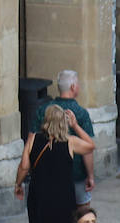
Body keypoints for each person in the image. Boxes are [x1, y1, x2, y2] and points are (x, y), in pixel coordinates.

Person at [16, 107, 94, 223]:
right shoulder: (70, 142)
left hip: (39, 197)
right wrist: (76, 125)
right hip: (63, 198)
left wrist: (18, 184)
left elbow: (24, 166)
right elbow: (90, 145)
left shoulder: (33, 139)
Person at [31, 70, 97, 204]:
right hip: (75, 174)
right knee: (82, 213)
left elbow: (31, 142)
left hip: (48, 175)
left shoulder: (43, 110)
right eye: (78, 84)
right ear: (73, 87)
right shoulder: (81, 113)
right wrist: (90, 175)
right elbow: (88, 150)